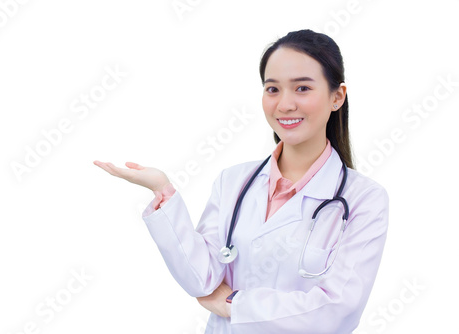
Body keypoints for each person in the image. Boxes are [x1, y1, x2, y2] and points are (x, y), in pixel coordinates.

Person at [94, 29, 389, 334]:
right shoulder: (233, 181)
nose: (285, 104)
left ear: (337, 97)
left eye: (302, 88)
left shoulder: (364, 199)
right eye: (272, 89)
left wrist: (234, 304)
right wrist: (163, 191)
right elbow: (201, 279)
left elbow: (336, 312)